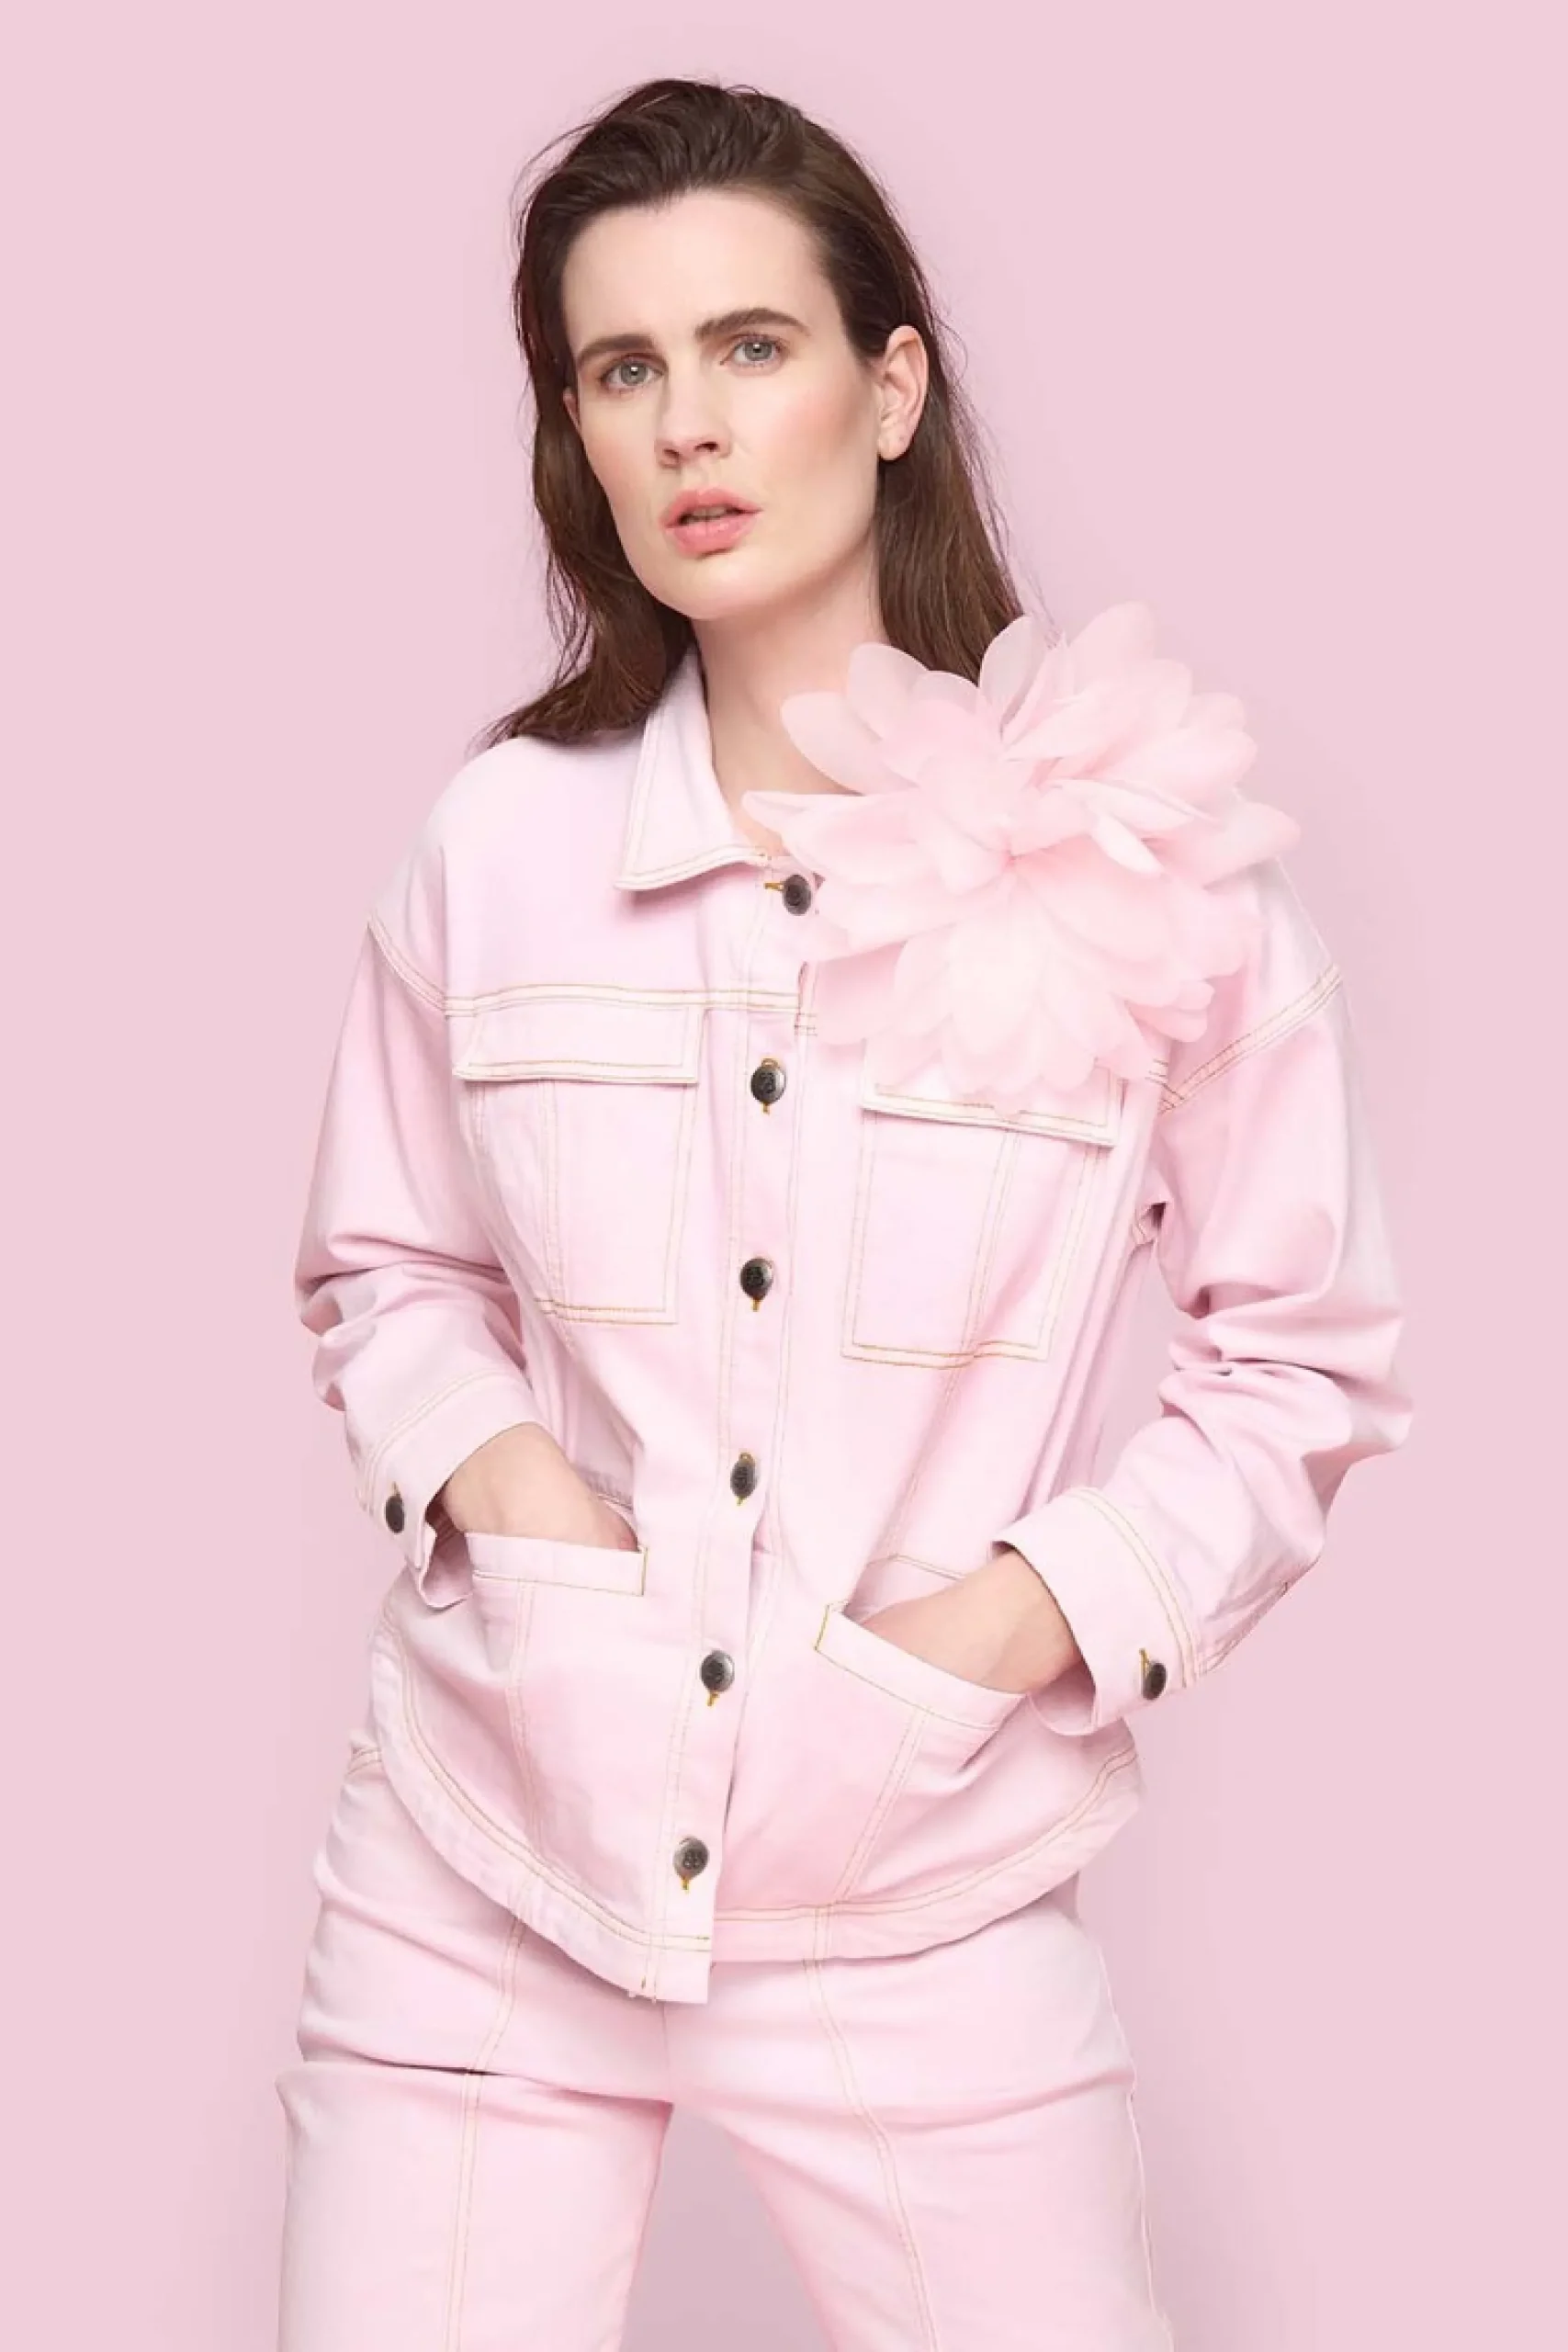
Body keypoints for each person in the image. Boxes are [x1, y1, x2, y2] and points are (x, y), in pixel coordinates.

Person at [274, 74, 1412, 2352]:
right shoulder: (497, 848)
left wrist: (1001, 1628)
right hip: (486, 1859)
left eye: (750, 345)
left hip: (925, 1875)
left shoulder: (1147, 865)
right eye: (621, 368)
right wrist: (518, 1499)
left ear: (890, 388)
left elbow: (1299, 1355)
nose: (687, 423)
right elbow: (385, 1264)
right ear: (577, 433)